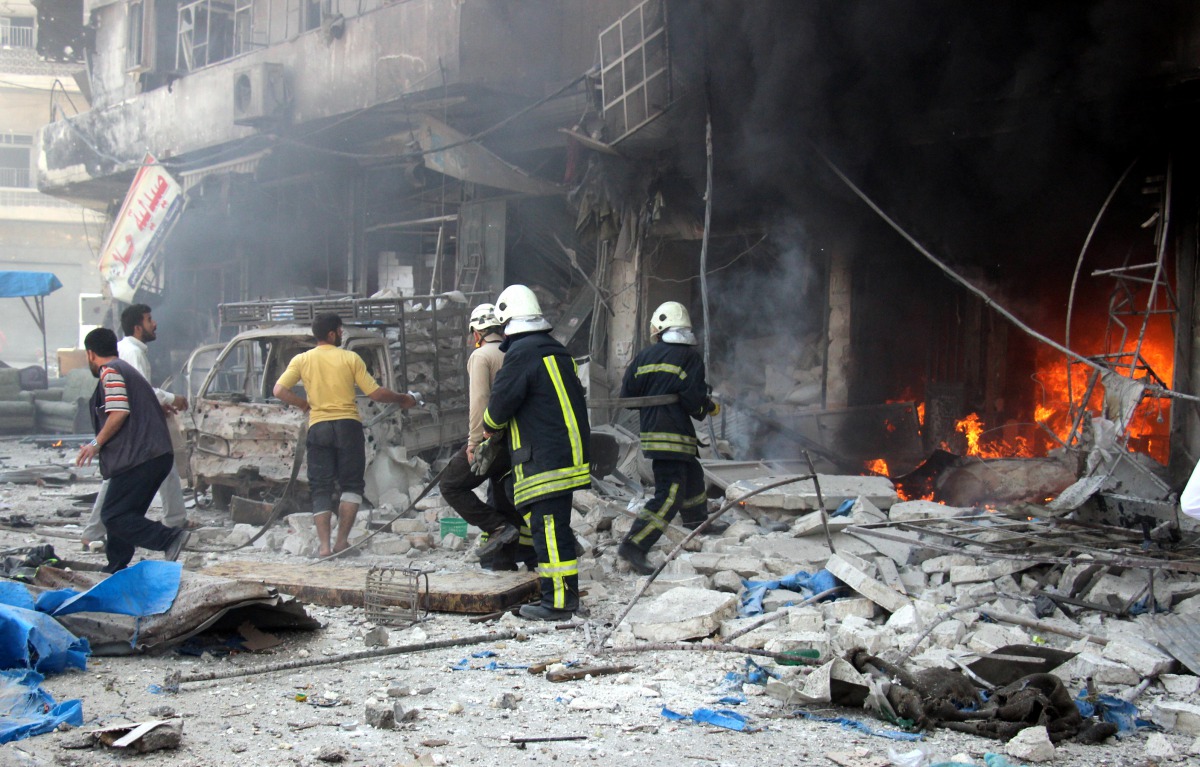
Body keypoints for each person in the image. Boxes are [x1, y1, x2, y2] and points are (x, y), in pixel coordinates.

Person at [483, 285, 590, 621]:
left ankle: (557, 604)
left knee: (549, 532)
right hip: (567, 456)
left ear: (507, 322)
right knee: (554, 528)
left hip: (542, 459)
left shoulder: (521, 354)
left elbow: (498, 410)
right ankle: (563, 597)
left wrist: (488, 429)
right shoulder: (558, 351)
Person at [273, 313, 419, 557]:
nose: (341, 334)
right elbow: (375, 393)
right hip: (348, 427)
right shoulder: (350, 358)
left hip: (318, 427)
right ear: (331, 334)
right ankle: (341, 543)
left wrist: (304, 404)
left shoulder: (302, 360)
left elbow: (279, 390)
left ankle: (324, 547)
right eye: (340, 331)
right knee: (351, 485)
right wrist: (402, 398)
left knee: (320, 487)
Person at [617, 301, 723, 575]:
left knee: (693, 474)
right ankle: (634, 544)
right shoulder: (689, 358)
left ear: (659, 328)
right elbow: (693, 401)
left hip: (654, 433)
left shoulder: (644, 356)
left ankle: (697, 523)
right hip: (674, 434)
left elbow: (628, 395)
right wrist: (708, 407)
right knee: (670, 494)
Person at [75, 328, 190, 573]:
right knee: (125, 513)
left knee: (113, 515)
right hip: (152, 455)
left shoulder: (110, 371)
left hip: (140, 458)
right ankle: (116, 566)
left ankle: (169, 538)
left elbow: (118, 412)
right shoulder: (126, 370)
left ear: (91, 354)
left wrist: (95, 445)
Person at [438, 303, 534, 570]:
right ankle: (504, 563)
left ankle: (497, 527)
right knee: (502, 498)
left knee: (451, 485)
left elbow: (479, 401)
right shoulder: (515, 352)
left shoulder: (481, 356)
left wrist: (473, 443)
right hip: (518, 441)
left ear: (477, 333)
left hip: (492, 439)